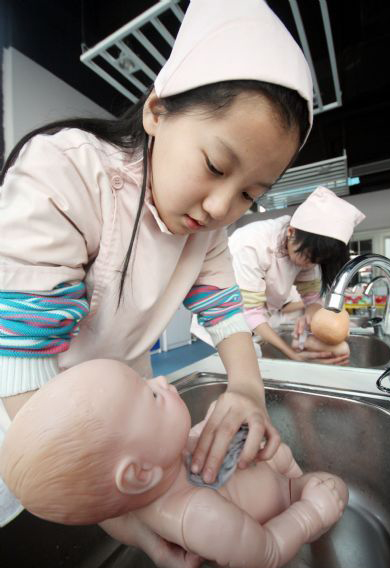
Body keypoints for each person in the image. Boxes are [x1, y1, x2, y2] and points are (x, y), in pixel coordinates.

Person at [0, 0, 313, 553]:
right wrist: (109, 501)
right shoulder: (66, 172)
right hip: (31, 424)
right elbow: (24, 353)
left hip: (127, 432)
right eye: (216, 166)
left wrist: (247, 389)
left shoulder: (203, 230)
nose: (219, 207)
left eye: (248, 194)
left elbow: (223, 311)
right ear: (156, 111)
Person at [0, 359, 349, 568]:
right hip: (288, 497)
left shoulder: (161, 462)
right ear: (139, 474)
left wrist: (208, 430)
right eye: (150, 393)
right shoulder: (198, 517)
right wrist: (310, 514)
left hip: (268, 472)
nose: (161, 379)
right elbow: (267, 553)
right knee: (336, 489)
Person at [229, 187, 365, 364]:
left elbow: (312, 299)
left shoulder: (306, 251)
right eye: (308, 257)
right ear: (291, 232)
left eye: (318, 261)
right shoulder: (251, 244)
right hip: (225, 327)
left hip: (258, 326)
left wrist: (312, 318)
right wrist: (292, 355)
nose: (310, 265)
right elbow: (251, 312)